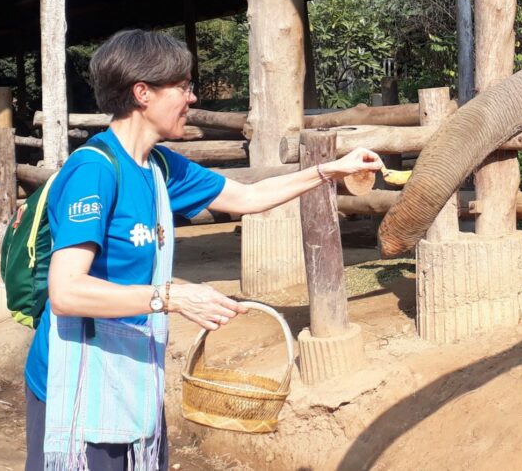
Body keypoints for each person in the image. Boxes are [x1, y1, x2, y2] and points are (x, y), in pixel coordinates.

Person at [24, 29, 383, 470]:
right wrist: (171, 297)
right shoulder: (93, 172)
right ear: (143, 93)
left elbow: (247, 197)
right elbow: (67, 293)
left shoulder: (158, 165)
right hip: (78, 378)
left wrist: (331, 170)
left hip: (131, 370)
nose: (191, 98)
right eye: (182, 86)